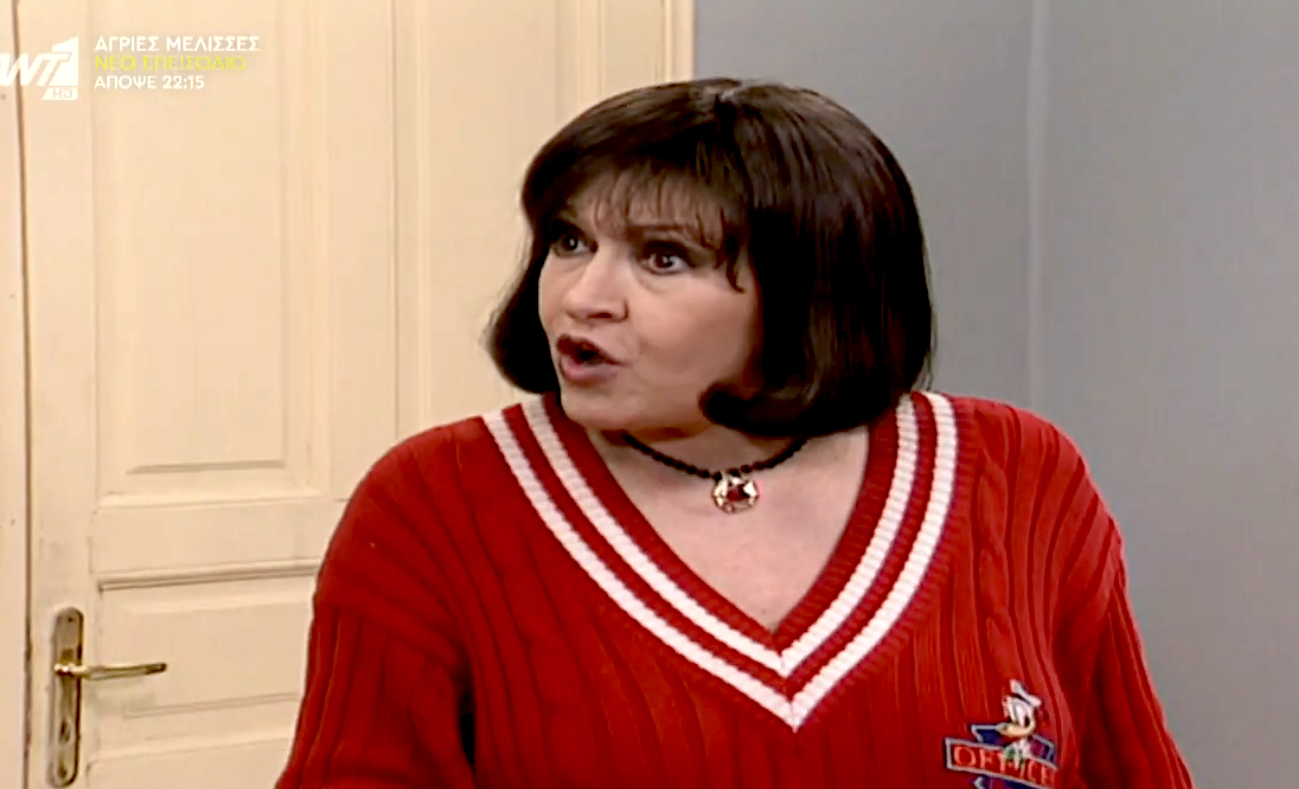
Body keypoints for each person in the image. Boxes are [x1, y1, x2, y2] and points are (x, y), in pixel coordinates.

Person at [273, 78, 1195, 788]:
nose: (583, 296)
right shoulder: (438, 500)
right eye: (569, 241)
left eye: (662, 256)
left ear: (813, 289)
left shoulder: (1017, 473)